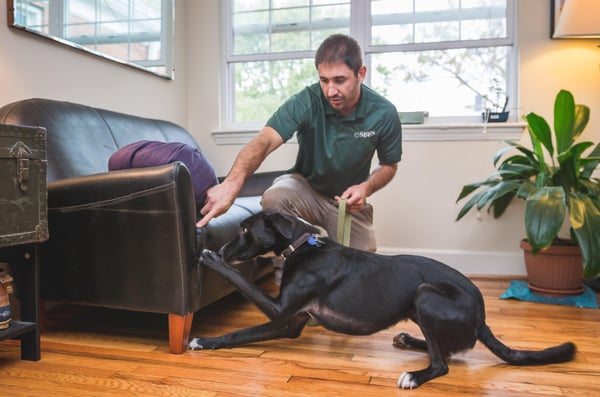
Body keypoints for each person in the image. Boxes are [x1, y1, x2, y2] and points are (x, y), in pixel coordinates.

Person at [197, 34, 402, 253]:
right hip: (306, 189)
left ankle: (321, 252)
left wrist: (365, 187)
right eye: (324, 80)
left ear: (361, 74)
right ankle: (288, 268)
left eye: (340, 80)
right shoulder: (307, 101)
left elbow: (389, 165)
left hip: (346, 203)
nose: (330, 91)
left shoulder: (383, 113)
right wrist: (231, 184)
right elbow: (264, 141)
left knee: (362, 266)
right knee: (275, 198)